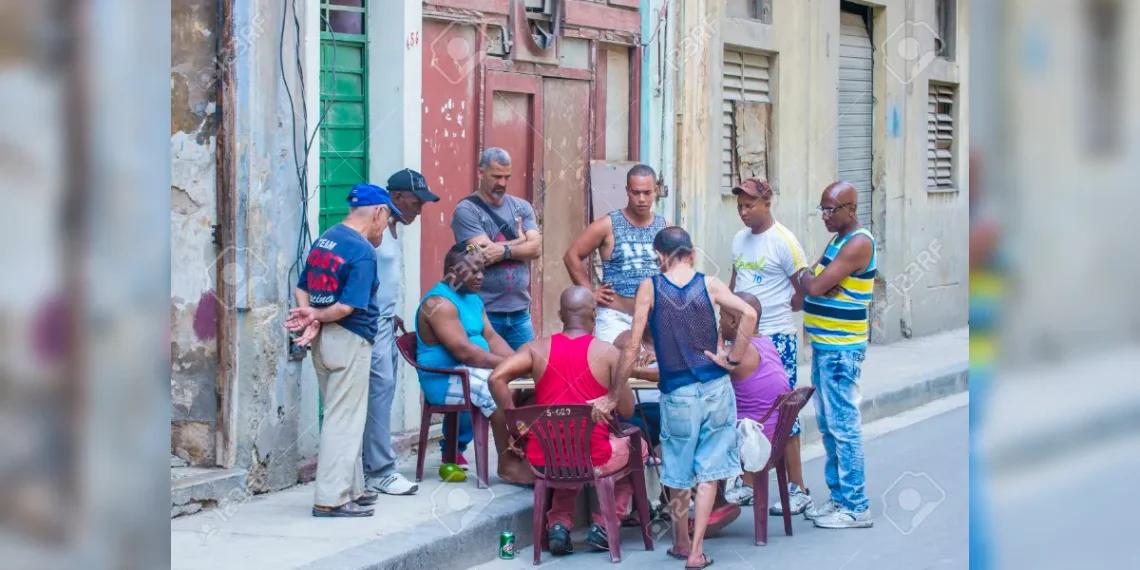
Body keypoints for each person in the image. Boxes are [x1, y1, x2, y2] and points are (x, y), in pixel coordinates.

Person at [597, 226, 758, 569]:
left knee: (679, 469)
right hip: (716, 388)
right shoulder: (709, 284)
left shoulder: (650, 288)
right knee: (709, 472)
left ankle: (681, 543)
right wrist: (732, 357)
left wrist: (613, 395)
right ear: (692, 253)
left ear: (659, 256)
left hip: (678, 393)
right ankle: (696, 550)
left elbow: (630, 348)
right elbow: (750, 314)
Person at [487, 286, 645, 555]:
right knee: (637, 448)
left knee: (565, 453)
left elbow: (495, 378)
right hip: (595, 456)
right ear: (594, 315)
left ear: (560, 314)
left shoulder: (535, 349)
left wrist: (515, 423)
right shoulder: (608, 353)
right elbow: (628, 411)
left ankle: (559, 523)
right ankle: (605, 524)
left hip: (545, 456)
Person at [285, 184, 401, 517]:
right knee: (344, 420)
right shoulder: (363, 250)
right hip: (349, 339)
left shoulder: (327, 239)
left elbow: (301, 287)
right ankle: (331, 498)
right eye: (387, 217)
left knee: (343, 413)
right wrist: (317, 316)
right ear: (378, 212)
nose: (385, 226)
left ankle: (354, 489)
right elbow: (348, 306)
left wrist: (310, 318)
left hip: (323, 342)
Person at [724, 177, 814, 516]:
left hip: (776, 336)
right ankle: (748, 483)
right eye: (740, 207)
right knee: (749, 413)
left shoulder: (784, 242)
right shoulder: (738, 240)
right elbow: (735, 285)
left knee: (783, 409)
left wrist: (783, 308)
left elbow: (802, 288)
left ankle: (797, 487)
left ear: (767, 202)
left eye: (750, 206)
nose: (744, 213)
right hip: (743, 335)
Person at [413, 244, 535, 484]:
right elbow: (467, 354)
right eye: (473, 271)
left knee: (527, 386)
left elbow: (491, 337)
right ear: (453, 271)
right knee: (500, 390)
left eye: (482, 270)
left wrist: (520, 366)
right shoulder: (438, 304)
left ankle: (527, 455)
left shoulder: (472, 298)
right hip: (445, 378)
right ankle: (507, 465)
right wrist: (512, 367)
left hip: (471, 373)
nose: (481, 276)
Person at [795, 181, 877, 529]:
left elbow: (812, 283)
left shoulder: (858, 242)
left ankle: (856, 506)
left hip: (842, 349)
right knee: (829, 426)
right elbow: (817, 280)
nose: (825, 216)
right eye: (822, 209)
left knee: (843, 427)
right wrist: (817, 281)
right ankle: (839, 498)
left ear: (850, 209)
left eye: (831, 210)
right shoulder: (838, 240)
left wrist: (809, 279)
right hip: (826, 346)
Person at [361, 169, 439, 497]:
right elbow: (358, 270)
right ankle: (380, 469)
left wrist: (389, 311)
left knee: (381, 393)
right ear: (397, 198)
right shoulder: (373, 230)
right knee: (379, 392)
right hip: (370, 325)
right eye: (416, 202)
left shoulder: (391, 228)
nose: (420, 210)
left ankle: (371, 466)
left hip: (384, 322)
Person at [563, 163, 668, 343]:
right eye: (636, 192)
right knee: (612, 366)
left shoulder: (665, 226)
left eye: (647, 193)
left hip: (654, 320)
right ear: (627, 191)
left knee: (654, 368)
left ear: (656, 190)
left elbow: (676, 268)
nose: (641, 199)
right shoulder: (608, 224)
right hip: (615, 317)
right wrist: (589, 293)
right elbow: (571, 256)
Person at [451, 147, 543, 349]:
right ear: (480, 173)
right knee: (487, 375)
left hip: (520, 313)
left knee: (527, 375)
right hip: (484, 311)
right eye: (496, 176)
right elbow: (484, 254)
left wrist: (505, 251)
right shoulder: (466, 210)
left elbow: (536, 249)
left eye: (506, 177)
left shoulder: (522, 207)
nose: (502, 183)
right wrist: (520, 242)